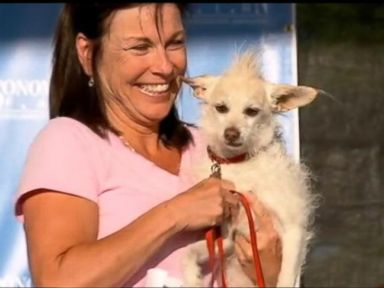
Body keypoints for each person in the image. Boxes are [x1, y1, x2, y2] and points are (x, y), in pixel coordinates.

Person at [15, 3, 282, 287]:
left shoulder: (213, 146)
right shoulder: (69, 142)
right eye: (140, 47)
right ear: (87, 53)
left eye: (174, 43)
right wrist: (175, 214)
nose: (165, 66)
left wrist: (268, 270)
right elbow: (57, 281)